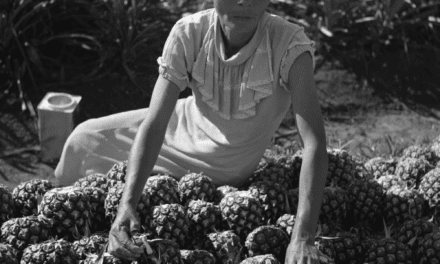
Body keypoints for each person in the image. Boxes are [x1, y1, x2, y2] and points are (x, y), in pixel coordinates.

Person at [55, 0, 328, 262]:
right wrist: (126, 205)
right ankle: (69, 227)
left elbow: (314, 141)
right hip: (180, 126)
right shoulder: (189, 32)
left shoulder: (289, 45)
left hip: (223, 166)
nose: (244, 2)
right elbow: (155, 124)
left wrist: (302, 238)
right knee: (83, 140)